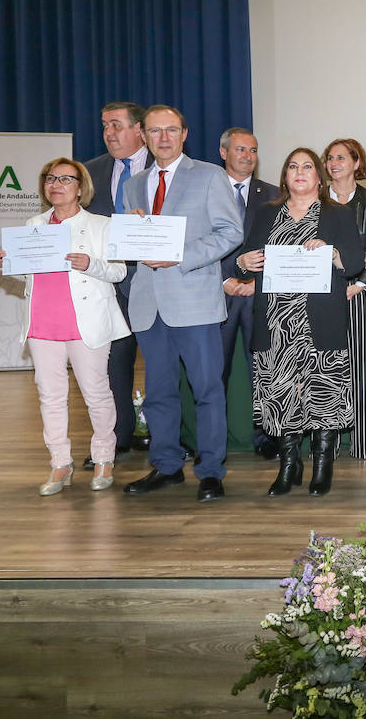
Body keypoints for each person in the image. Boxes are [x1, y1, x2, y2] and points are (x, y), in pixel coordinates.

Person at [120, 104, 243, 503]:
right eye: (155, 131)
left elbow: (231, 233)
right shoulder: (135, 184)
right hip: (148, 303)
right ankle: (167, 466)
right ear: (144, 135)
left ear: (184, 133)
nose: (164, 138)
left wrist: (181, 257)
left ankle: (210, 471)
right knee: (157, 392)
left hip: (194, 300)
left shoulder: (209, 175)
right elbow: (128, 242)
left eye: (171, 130)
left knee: (207, 390)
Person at [0, 158, 130, 495]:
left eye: (65, 179)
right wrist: (6, 262)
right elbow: (28, 273)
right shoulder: (33, 223)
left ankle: (103, 458)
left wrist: (91, 264)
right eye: (50, 178)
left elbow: (118, 272)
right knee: (50, 396)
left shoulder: (101, 224)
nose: (56, 184)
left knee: (96, 394)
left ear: (81, 188)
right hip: (43, 320)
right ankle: (60, 463)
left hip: (87, 321)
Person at [236, 148, 364, 496]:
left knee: (322, 392)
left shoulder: (338, 214)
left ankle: (322, 466)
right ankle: (289, 463)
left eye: (307, 166)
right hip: (275, 322)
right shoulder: (265, 213)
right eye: (293, 166)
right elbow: (245, 259)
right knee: (281, 393)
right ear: (285, 176)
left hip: (319, 319)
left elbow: (354, 261)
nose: (300, 172)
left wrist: (333, 252)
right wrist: (244, 260)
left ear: (320, 176)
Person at [81, 101, 149, 466]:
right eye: (105, 125)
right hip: (109, 286)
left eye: (117, 125)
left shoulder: (168, 169)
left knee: (166, 365)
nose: (109, 132)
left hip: (158, 283)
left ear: (139, 129)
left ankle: (169, 437)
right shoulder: (89, 171)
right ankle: (115, 439)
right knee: (111, 367)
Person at [218, 127, 280, 459]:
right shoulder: (206, 190)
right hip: (218, 294)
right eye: (241, 149)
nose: (247, 156)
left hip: (260, 295)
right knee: (216, 372)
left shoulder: (273, 194)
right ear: (224, 152)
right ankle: (214, 442)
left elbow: (282, 244)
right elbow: (197, 242)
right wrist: (224, 279)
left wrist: (258, 281)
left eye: (253, 150)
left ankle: (265, 436)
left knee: (263, 370)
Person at [323, 138, 366, 460]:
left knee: (360, 368)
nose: (334, 163)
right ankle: (325, 444)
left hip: (360, 293)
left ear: (357, 163)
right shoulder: (316, 200)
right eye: (330, 158)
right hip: (321, 294)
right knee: (326, 369)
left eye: (341, 158)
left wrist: (360, 282)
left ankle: (363, 442)